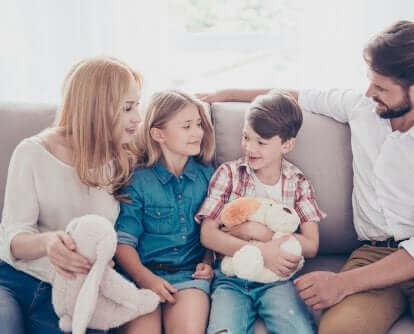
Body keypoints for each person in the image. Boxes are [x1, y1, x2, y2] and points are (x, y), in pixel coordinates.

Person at [198, 21, 414, 334]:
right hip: (372, 252)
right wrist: (228, 93)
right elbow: (294, 96)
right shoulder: (362, 107)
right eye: (370, 82)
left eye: (381, 88)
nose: (370, 93)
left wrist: (341, 283)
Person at [0, 56, 142, 334]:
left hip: (76, 292)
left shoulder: (125, 158)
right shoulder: (33, 152)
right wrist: (48, 242)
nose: (137, 117)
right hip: (15, 279)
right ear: (97, 107)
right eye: (128, 108)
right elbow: (12, 237)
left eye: (137, 105)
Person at [195, 90, 325, 334]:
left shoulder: (297, 182)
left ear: (287, 144)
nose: (249, 147)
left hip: (277, 280)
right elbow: (209, 236)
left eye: (261, 142)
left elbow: (311, 244)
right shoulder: (229, 174)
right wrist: (259, 250)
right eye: (246, 137)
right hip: (231, 279)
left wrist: (259, 233)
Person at [114, 90, 216, 334]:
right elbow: (123, 243)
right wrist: (146, 280)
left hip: (188, 277)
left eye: (199, 124)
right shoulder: (137, 181)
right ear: (159, 134)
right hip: (140, 278)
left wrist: (207, 262)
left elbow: (215, 232)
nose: (197, 132)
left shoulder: (209, 176)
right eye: (187, 126)